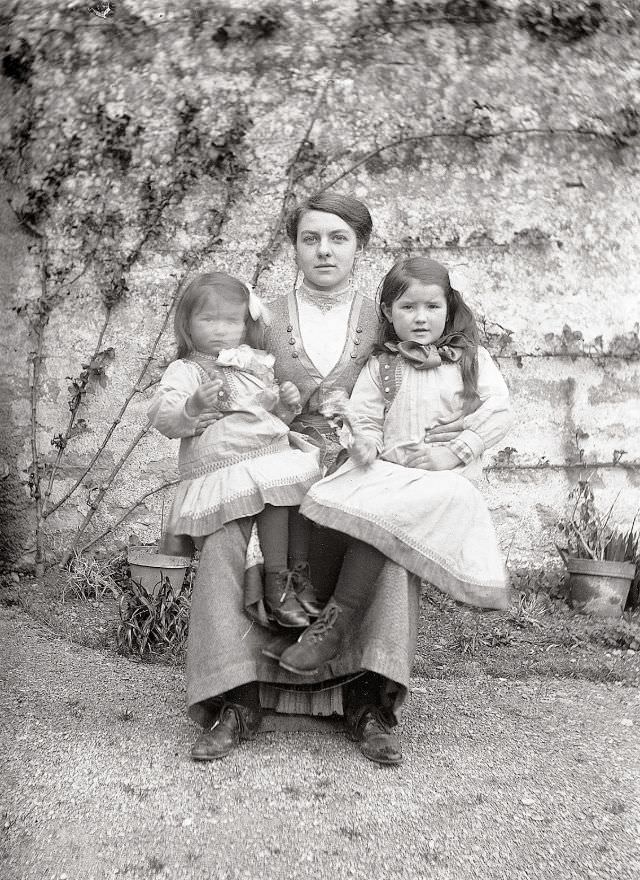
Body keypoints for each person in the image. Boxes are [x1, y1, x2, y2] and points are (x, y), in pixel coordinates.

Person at [185, 195, 477, 767]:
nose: (323, 250)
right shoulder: (259, 318)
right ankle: (238, 699)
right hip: (272, 467)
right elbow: (222, 391)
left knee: (387, 538)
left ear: (359, 247)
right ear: (293, 246)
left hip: (359, 466)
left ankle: (367, 703)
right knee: (225, 540)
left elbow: (429, 393)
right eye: (310, 238)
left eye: (338, 238)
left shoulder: (387, 316)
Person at [277, 256, 513, 675]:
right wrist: (364, 442)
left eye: (432, 307)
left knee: (381, 516)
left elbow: (499, 412)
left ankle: (335, 623)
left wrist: (455, 450)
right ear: (388, 312)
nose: (420, 319)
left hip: (441, 482)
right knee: (328, 496)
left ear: (449, 308)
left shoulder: (470, 360)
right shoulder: (382, 363)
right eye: (408, 308)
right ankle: (313, 594)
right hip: (390, 471)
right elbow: (364, 416)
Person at [148, 271, 323, 628]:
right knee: (275, 490)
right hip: (224, 462)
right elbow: (163, 415)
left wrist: (285, 404)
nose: (220, 329)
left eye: (231, 321)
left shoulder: (252, 363)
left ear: (245, 325)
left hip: (266, 451)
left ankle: (298, 576)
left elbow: (267, 413)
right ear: (187, 324)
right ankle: (276, 582)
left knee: (304, 489)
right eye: (208, 319)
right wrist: (192, 405)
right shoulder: (187, 369)